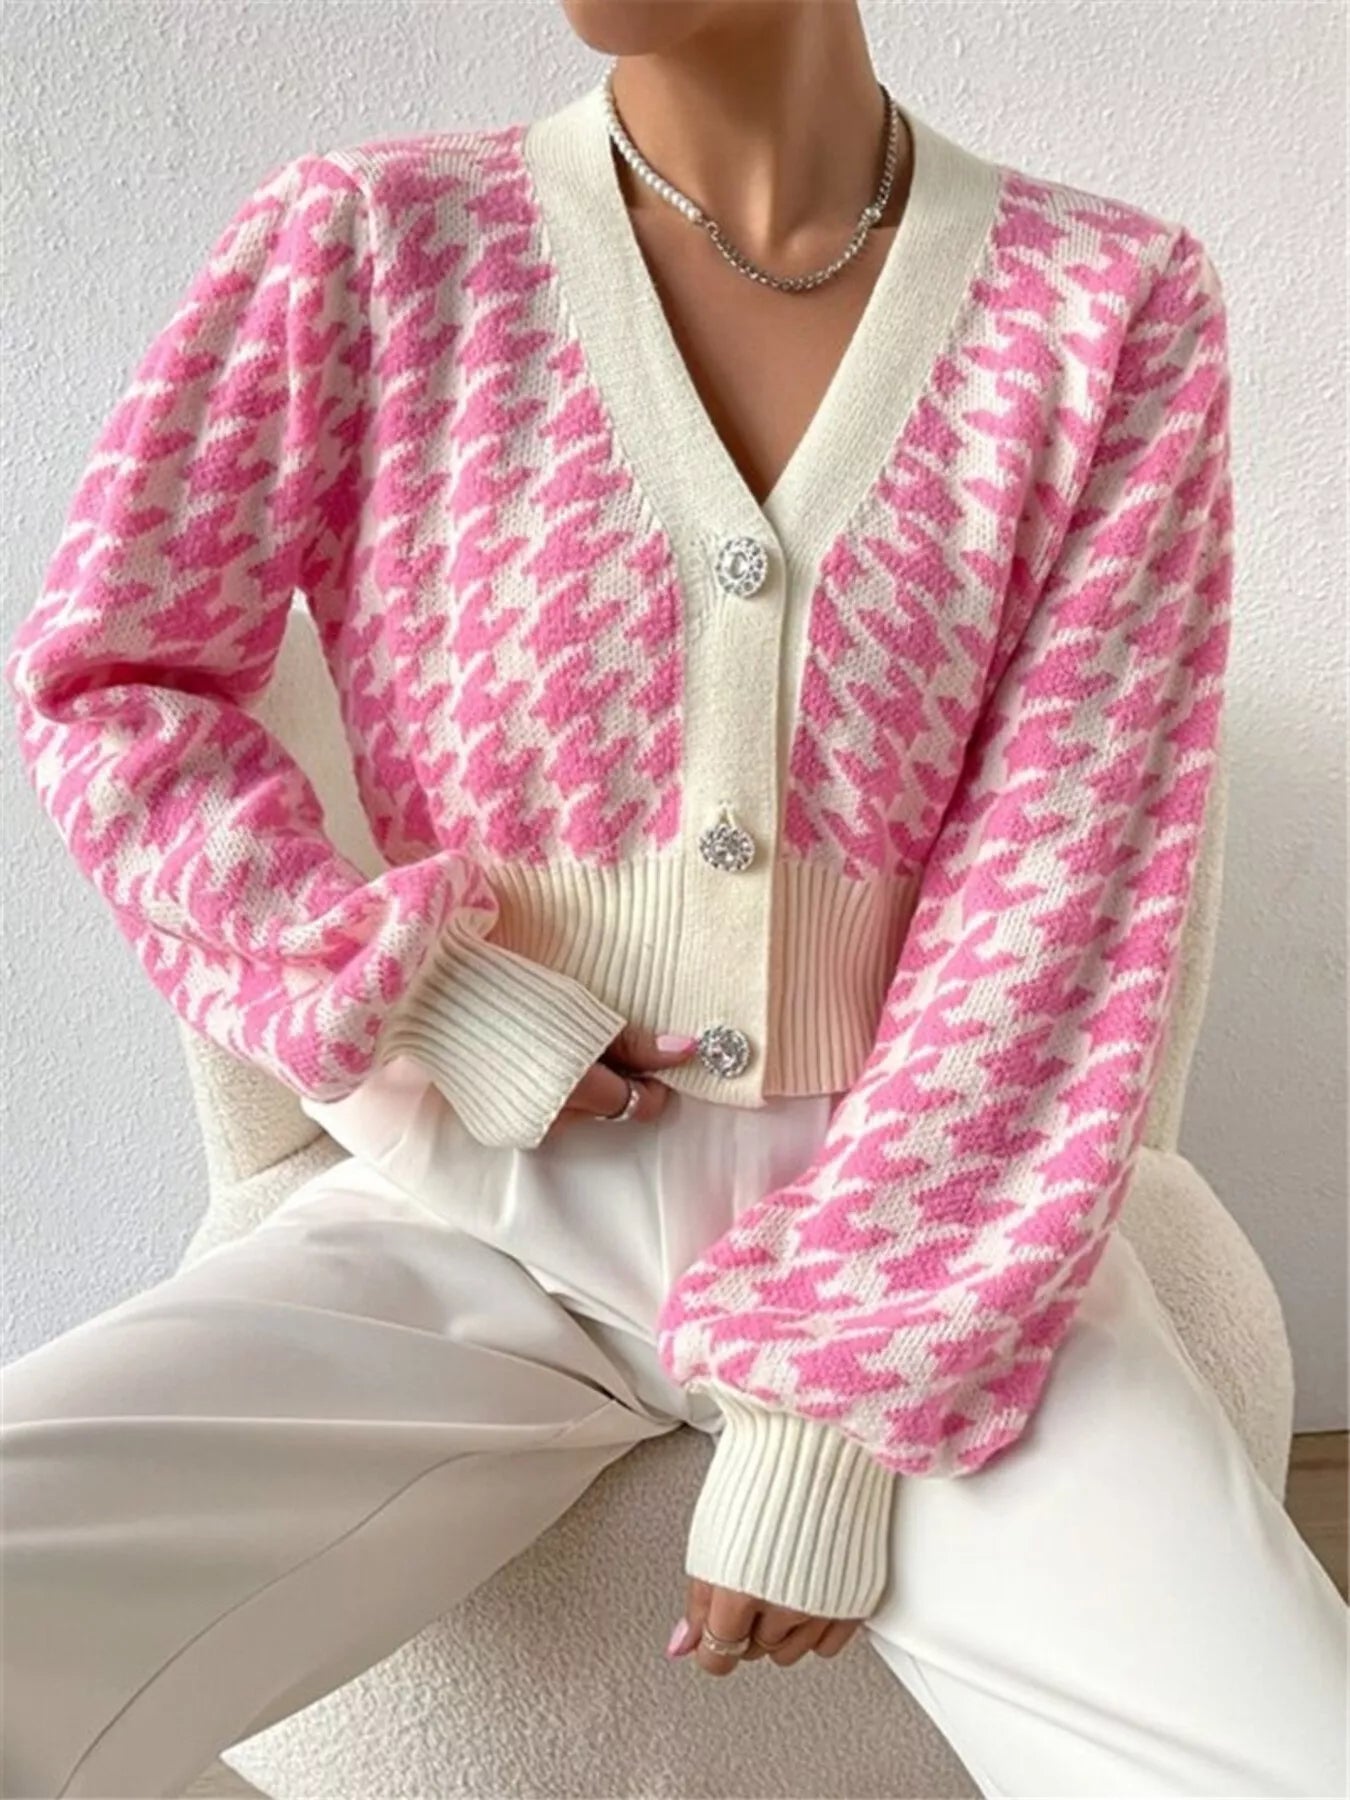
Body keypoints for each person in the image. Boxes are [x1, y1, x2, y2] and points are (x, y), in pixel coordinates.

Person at [3, 2, 1347, 1795]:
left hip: (926, 1221)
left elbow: (1067, 870)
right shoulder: (373, 245)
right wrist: (421, 992)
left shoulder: (1106, 302)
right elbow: (114, 680)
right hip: (472, 1207)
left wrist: (844, 1390)